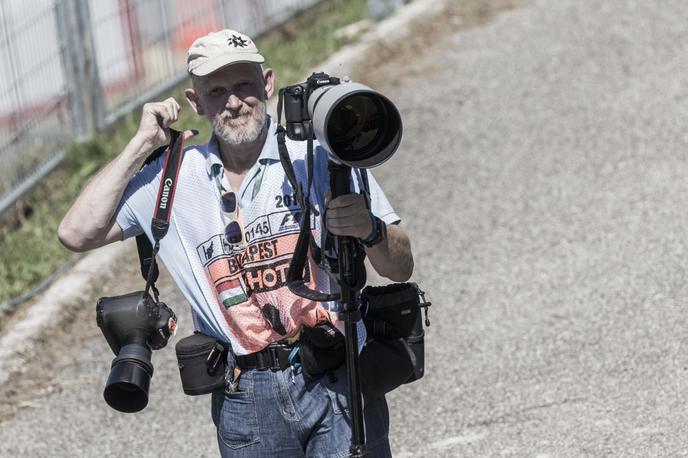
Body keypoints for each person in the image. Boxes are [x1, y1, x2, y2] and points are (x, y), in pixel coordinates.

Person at [58, 29, 414, 457]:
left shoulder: (320, 156)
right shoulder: (172, 177)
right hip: (244, 395)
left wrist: (370, 229)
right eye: (217, 91)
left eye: (244, 84)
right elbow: (75, 233)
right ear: (196, 102)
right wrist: (139, 146)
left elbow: (400, 265)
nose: (233, 101)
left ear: (267, 84)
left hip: (336, 375)